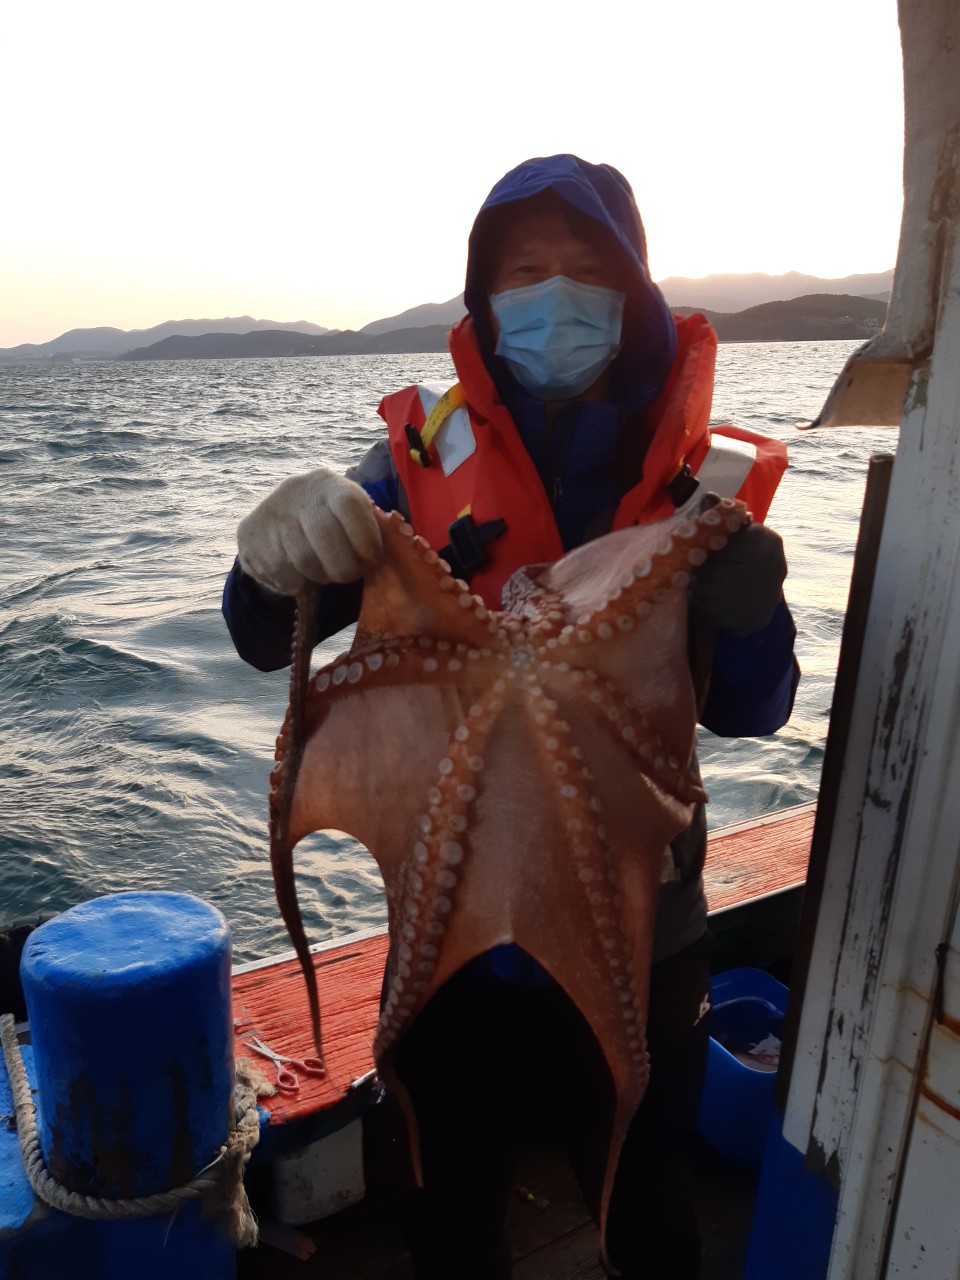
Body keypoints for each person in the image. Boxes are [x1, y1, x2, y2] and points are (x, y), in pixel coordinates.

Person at [223, 154, 799, 1279]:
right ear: (484, 297)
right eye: (524, 270)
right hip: (453, 947)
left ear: (633, 292)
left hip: (645, 929)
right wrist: (269, 553)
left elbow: (755, 711)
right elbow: (261, 637)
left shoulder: (708, 480)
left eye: (587, 268)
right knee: (449, 1220)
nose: (554, 294)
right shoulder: (413, 461)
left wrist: (754, 615)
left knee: (650, 1216)